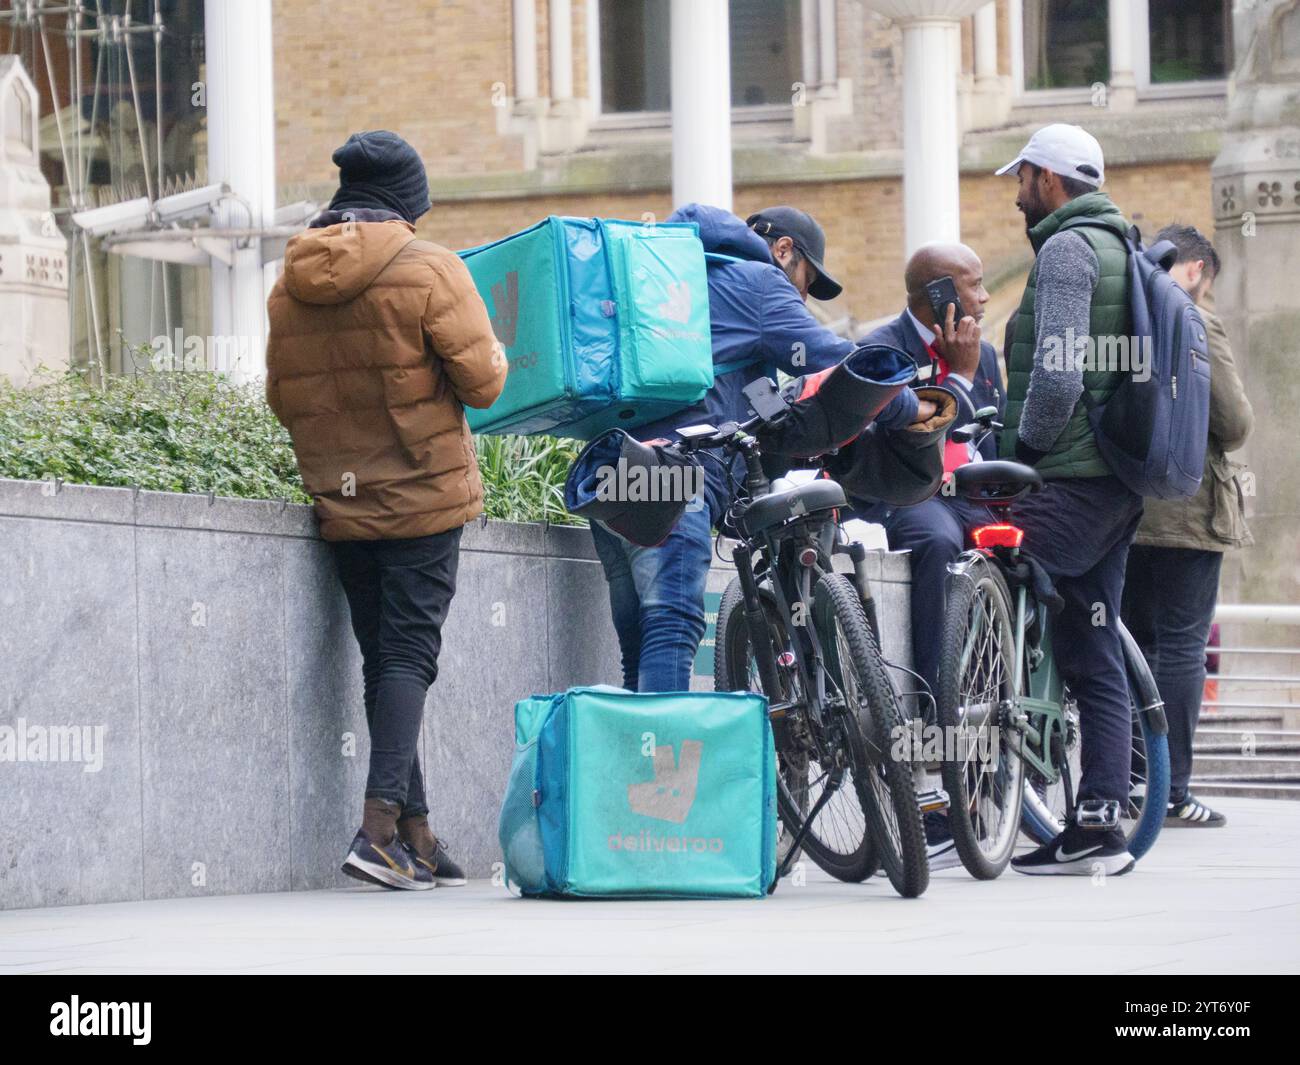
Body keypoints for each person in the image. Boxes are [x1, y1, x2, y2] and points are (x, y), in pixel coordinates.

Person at [266, 130, 507, 890]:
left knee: (389, 659)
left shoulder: (290, 280)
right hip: (423, 496)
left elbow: (280, 397)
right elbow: (484, 384)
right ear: (408, 199)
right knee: (409, 656)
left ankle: (418, 836)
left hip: (342, 502)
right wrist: (498, 352)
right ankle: (375, 833)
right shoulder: (431, 267)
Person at [589, 204, 923, 693]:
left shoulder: (666, 277)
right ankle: (664, 769)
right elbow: (844, 365)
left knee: (638, 647)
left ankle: (634, 767)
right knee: (672, 629)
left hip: (610, 474)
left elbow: (746, 394)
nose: (803, 297)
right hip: (677, 478)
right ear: (784, 251)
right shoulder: (760, 285)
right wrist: (912, 408)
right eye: (807, 281)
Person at [992, 124, 1145, 876]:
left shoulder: (1064, 249)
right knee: (1094, 642)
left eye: (1021, 178)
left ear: (1049, 180)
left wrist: (1017, 459)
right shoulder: (1125, 243)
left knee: (978, 568)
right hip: (1118, 483)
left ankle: (968, 783)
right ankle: (1098, 819)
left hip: (1069, 477)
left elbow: (1053, 378)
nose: (1017, 194)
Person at [850, 242, 1002, 871]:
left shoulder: (986, 352)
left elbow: (993, 435)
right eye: (973, 285)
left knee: (1033, 551)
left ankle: (1015, 757)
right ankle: (937, 724)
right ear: (940, 296)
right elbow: (907, 437)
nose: (986, 297)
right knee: (938, 541)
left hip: (971, 490)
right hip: (904, 494)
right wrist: (958, 381)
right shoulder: (881, 351)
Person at [1122, 224, 1253, 829]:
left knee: (1131, 646)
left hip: (1124, 511)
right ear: (1196, 269)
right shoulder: (1196, 320)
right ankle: (1171, 792)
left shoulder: (1121, 313)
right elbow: (1234, 422)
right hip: (1187, 512)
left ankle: (1127, 782)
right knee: (1180, 647)